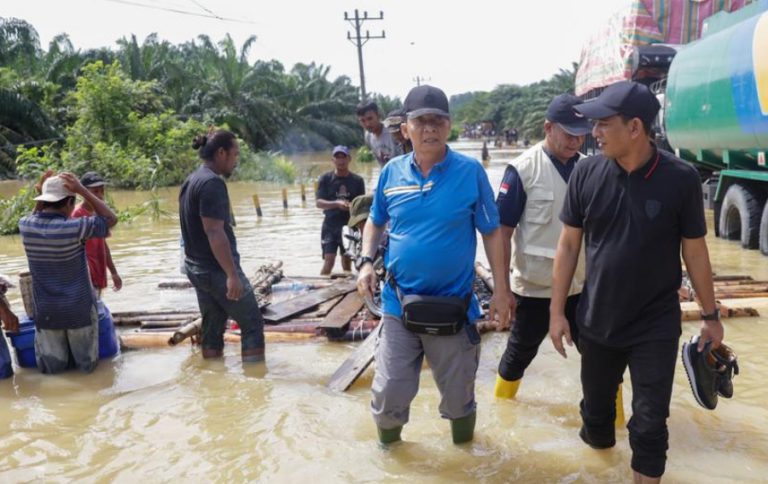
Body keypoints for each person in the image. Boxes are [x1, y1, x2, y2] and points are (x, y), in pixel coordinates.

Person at [549, 81, 723, 482]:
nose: (593, 133)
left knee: (649, 427)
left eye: (603, 124)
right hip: (596, 322)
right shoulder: (586, 174)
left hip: (655, 325)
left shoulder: (680, 179)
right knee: (596, 421)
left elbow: (695, 252)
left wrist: (710, 316)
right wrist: (557, 313)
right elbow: (568, 248)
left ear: (635, 128)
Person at [357, 85, 510, 445]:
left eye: (437, 121)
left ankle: (464, 458)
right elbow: (375, 220)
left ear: (449, 126)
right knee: (390, 391)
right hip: (399, 305)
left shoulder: (470, 172)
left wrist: (502, 290)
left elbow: (492, 232)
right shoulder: (391, 174)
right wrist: (365, 262)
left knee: (459, 398)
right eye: (421, 121)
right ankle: (390, 458)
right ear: (405, 129)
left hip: (454, 308)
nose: (430, 129)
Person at [493, 94, 592, 400]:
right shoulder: (522, 170)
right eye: (568, 133)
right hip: (535, 288)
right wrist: (503, 288)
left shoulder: (592, 169)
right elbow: (502, 233)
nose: (576, 141)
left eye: (581, 133)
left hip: (580, 286)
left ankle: (612, 427)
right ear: (548, 128)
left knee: (602, 356)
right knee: (518, 356)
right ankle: (502, 410)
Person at [179, 129, 265, 362]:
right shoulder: (212, 184)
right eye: (234, 155)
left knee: (213, 326)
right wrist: (231, 275)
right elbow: (214, 231)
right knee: (252, 324)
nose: (236, 161)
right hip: (215, 270)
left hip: (196, 268)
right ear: (220, 152)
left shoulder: (192, 180)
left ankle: (213, 379)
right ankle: (256, 385)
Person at [18, 172, 118, 374]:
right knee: (86, 369)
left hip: (47, 313)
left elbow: (35, 214)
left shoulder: (25, 226)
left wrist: (44, 191)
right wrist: (82, 190)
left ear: (43, 201)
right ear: (71, 202)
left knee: (53, 373)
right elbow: (110, 219)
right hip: (78, 311)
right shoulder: (76, 228)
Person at [71, 171, 122, 298]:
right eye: (95, 192)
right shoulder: (77, 215)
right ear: (85, 193)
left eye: (102, 191)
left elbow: (103, 245)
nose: (100, 195)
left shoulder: (97, 214)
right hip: (86, 276)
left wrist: (114, 272)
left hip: (98, 272)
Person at [316, 145, 365, 275]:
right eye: (337, 157)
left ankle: (346, 289)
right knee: (329, 261)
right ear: (333, 160)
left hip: (349, 225)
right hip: (330, 225)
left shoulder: (357, 180)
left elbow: (361, 205)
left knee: (347, 262)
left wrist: (351, 207)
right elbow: (319, 203)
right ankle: (321, 290)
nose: (341, 161)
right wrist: (336, 203)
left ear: (349, 159)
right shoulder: (325, 179)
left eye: (343, 157)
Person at [357, 101, 402, 166]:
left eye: (370, 118)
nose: (367, 124)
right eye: (363, 121)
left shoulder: (392, 131)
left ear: (378, 116)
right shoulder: (368, 136)